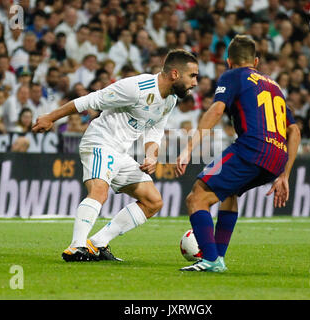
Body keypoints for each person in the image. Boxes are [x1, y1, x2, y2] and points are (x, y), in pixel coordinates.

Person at [32, 49, 199, 262]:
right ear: (175, 74)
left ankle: (97, 243)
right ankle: (76, 246)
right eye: (192, 76)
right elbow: (90, 101)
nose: (195, 82)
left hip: (120, 152)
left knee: (152, 201)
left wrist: (150, 155)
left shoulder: (170, 100)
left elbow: (155, 130)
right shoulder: (136, 87)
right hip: (100, 142)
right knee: (99, 191)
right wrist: (50, 117)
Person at [175, 35, 301, 272]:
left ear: (229, 61)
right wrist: (285, 174)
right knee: (229, 194)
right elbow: (294, 130)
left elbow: (217, 109)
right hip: (276, 158)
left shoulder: (232, 76)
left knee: (196, 198)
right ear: (255, 60)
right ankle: (218, 258)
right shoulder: (274, 86)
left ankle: (210, 260)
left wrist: (189, 148)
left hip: (252, 149)